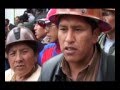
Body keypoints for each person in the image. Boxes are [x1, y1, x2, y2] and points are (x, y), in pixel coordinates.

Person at [39, 9, 115, 81]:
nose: (69, 39)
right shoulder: (48, 70)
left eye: (78, 29)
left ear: (95, 34)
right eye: (63, 29)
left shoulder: (112, 69)